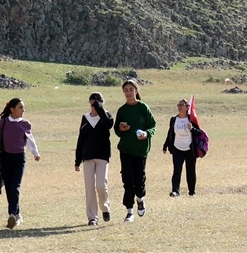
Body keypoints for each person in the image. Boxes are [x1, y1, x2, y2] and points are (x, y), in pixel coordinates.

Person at [0, 98, 41, 229]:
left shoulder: (25, 123)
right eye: (20, 107)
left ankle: (11, 214)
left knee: (15, 187)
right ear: (12, 109)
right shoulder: (3, 123)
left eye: (23, 107)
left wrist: (35, 153)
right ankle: (17, 215)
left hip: (19, 159)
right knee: (9, 188)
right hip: (5, 158)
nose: (23, 110)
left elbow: (30, 139)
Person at [115, 78, 156, 221]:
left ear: (136, 91)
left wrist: (146, 134)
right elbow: (117, 131)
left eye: (131, 90)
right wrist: (121, 128)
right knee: (128, 180)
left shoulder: (143, 108)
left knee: (139, 180)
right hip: (125, 150)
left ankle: (140, 199)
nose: (128, 93)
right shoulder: (122, 110)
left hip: (140, 151)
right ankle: (129, 211)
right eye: (126, 90)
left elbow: (152, 126)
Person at [75, 92, 114, 226]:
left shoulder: (107, 116)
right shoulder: (85, 118)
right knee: (89, 187)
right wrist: (77, 160)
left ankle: (105, 208)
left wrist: (100, 109)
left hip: (102, 155)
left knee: (101, 185)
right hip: (87, 156)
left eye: (97, 103)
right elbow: (81, 139)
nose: (94, 106)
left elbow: (109, 125)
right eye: (92, 103)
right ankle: (92, 217)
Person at [162, 98, 200, 197]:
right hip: (177, 148)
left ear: (187, 107)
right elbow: (170, 133)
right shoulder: (174, 119)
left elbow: (199, 133)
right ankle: (175, 191)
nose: (179, 107)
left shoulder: (191, 119)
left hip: (190, 150)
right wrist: (165, 145)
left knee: (190, 171)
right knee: (177, 170)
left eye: (182, 105)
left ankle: (192, 192)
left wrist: (192, 129)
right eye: (178, 105)